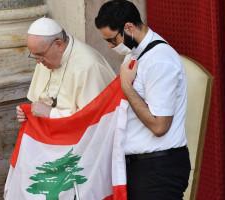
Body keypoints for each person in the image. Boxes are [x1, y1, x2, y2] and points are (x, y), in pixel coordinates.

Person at [95, 0, 191, 199]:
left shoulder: (160, 60)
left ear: (128, 27)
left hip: (158, 170)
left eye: (112, 40)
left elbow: (160, 126)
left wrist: (126, 88)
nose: (111, 46)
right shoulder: (134, 53)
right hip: (139, 167)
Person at [16, 17, 116, 121]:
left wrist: (51, 113)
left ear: (59, 44)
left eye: (40, 54)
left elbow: (95, 118)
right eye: (34, 55)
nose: (38, 61)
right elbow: (39, 103)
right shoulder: (45, 58)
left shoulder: (89, 66)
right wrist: (28, 113)